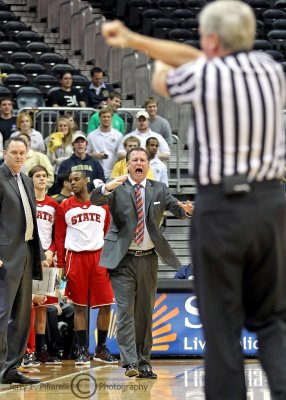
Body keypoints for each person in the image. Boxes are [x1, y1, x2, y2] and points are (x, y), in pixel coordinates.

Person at [101, 2, 286, 398]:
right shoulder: (272, 70)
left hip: (222, 209)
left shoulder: (206, 74)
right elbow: (207, 60)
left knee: (221, 326)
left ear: (212, 40)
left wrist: (143, 44)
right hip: (270, 205)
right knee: (273, 320)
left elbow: (165, 79)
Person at [91, 147, 192, 378]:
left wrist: (186, 211)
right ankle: (130, 362)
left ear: (148, 165)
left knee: (145, 313)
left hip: (148, 259)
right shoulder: (117, 187)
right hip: (122, 260)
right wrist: (108, 186)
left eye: (143, 160)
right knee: (125, 311)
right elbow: (96, 199)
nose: (139, 163)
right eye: (134, 159)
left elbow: (177, 209)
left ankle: (144, 361)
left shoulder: (159, 189)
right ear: (127, 165)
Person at [0, 137, 48, 385]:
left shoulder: (28, 181)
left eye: (22, 153)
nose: (19, 156)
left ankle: (11, 368)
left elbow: (32, 221)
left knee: (21, 316)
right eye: (14, 152)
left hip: (27, 254)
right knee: (2, 313)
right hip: (5, 257)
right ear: (4, 153)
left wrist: (39, 253)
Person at [55, 170, 117, 365]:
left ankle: (101, 348)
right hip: (76, 258)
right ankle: (82, 350)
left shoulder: (102, 204)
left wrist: (110, 259)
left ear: (86, 180)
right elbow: (59, 238)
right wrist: (61, 264)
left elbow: (108, 232)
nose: (72, 183)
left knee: (106, 304)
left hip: (99, 257)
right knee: (80, 307)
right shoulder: (64, 206)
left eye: (76, 179)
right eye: (69, 181)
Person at [28, 165, 61, 365]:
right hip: (31, 259)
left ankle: (41, 350)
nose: (41, 179)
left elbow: (59, 234)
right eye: (38, 176)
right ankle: (28, 350)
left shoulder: (54, 205)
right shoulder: (27, 203)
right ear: (30, 179)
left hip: (49, 259)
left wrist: (51, 252)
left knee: (44, 306)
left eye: (44, 176)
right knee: (30, 305)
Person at [87, 107, 123, 179]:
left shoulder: (119, 135)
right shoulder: (91, 136)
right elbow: (86, 154)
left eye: (108, 117)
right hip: (96, 173)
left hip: (113, 173)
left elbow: (121, 153)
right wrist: (96, 156)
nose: (106, 119)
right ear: (99, 118)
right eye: (104, 117)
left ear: (111, 118)